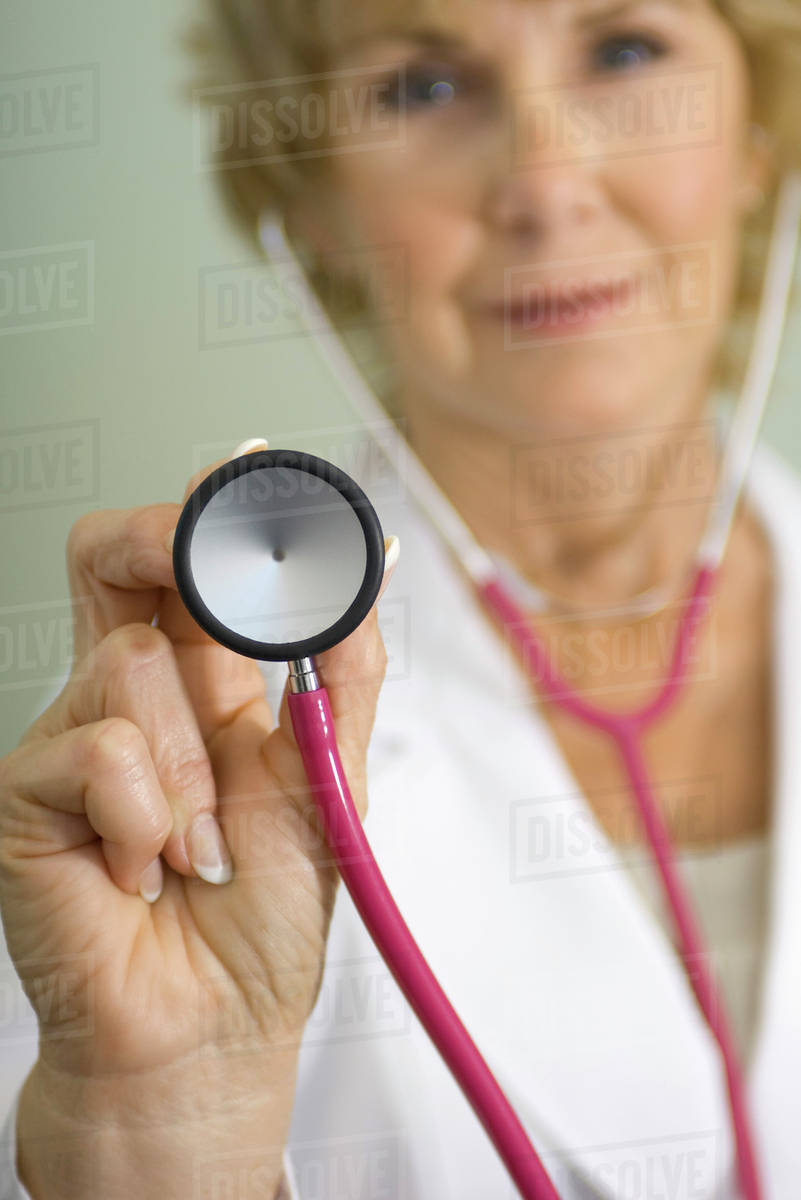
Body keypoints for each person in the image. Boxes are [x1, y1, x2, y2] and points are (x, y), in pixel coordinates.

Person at [1, 0, 800, 1196]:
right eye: (423, 88)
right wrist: (152, 1140)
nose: (545, 181)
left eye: (627, 50)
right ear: (312, 203)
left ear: (758, 136)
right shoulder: (151, 791)